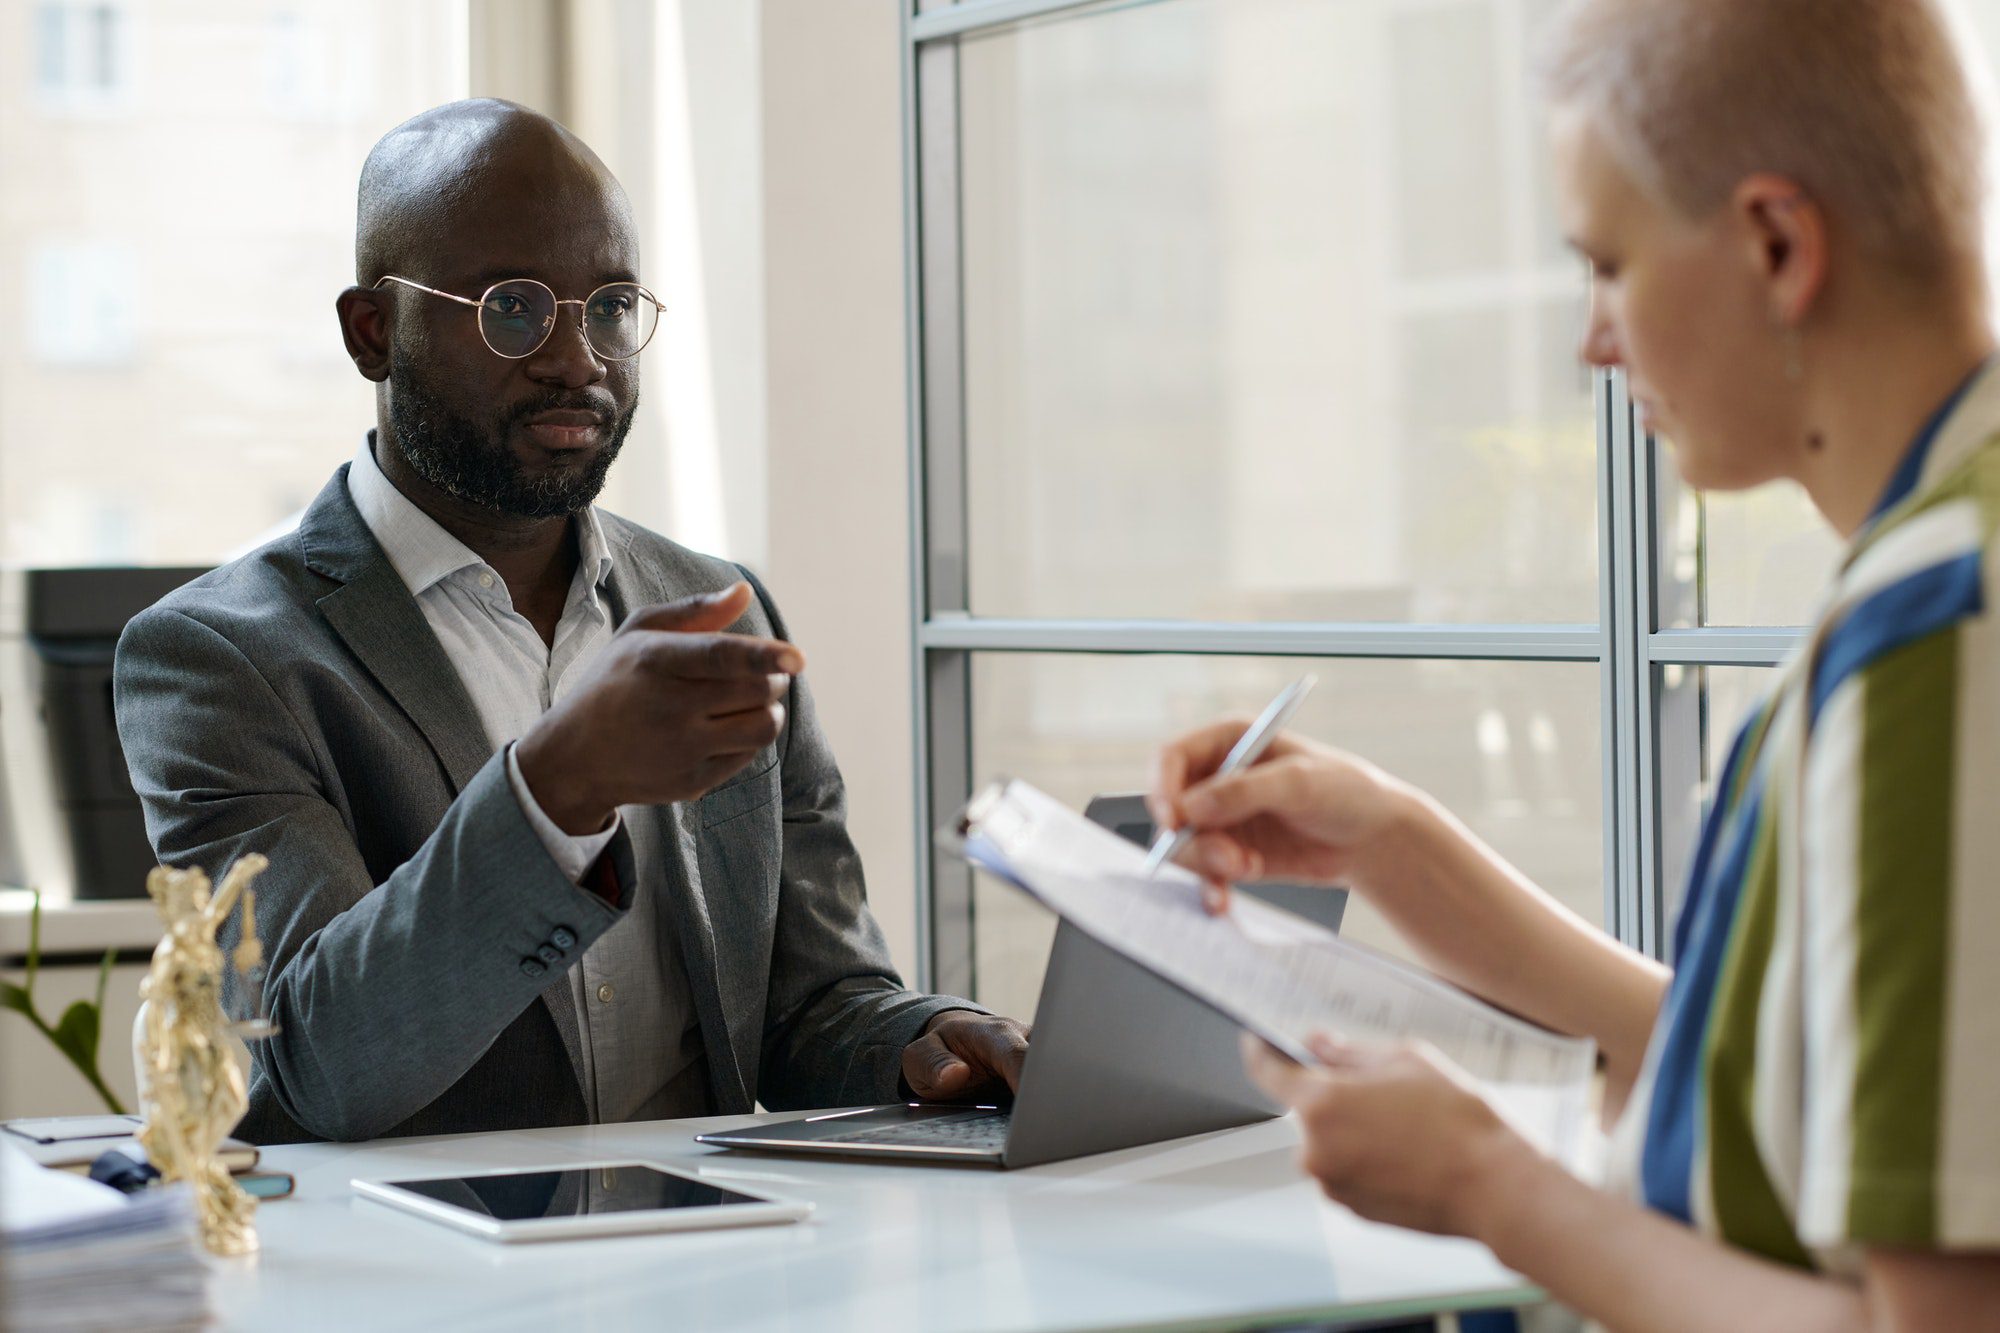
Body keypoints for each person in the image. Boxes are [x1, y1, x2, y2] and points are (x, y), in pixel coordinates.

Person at [1148, 1, 2000, 1327]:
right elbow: (1753, 1074)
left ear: (1779, 243)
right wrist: (1392, 844)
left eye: (1607, 265)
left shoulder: (1936, 631)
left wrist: (1493, 1190)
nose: (1591, 341)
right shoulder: (1941, 570)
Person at [114, 100, 1027, 1145]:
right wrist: (557, 788)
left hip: (716, 1266)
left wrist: (928, 1037)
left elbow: (808, 1002)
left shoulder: (717, 608)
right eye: (512, 308)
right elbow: (313, 1062)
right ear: (373, 332)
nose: (577, 358)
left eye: (609, 305)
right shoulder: (218, 659)